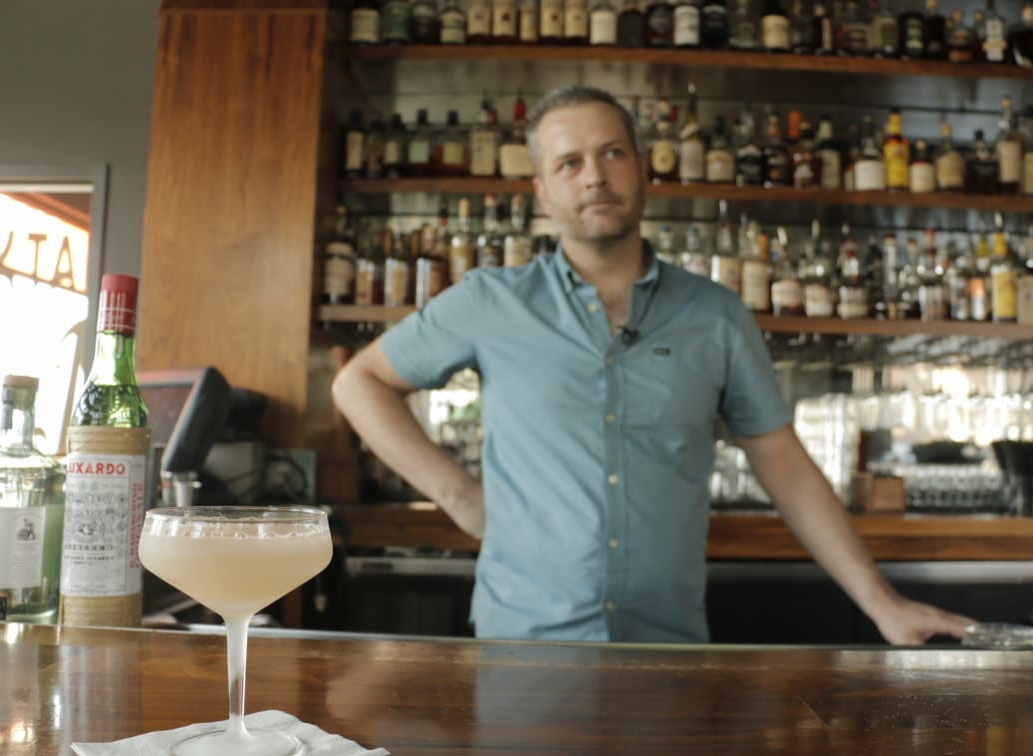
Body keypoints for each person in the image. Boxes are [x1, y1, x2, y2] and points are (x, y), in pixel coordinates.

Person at [332, 84, 973, 645]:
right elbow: (358, 382)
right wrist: (461, 496)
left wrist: (883, 606)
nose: (595, 176)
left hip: (668, 650)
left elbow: (786, 467)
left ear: (642, 169)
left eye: (612, 153)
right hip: (522, 649)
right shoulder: (488, 302)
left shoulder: (716, 316)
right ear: (543, 192)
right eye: (569, 162)